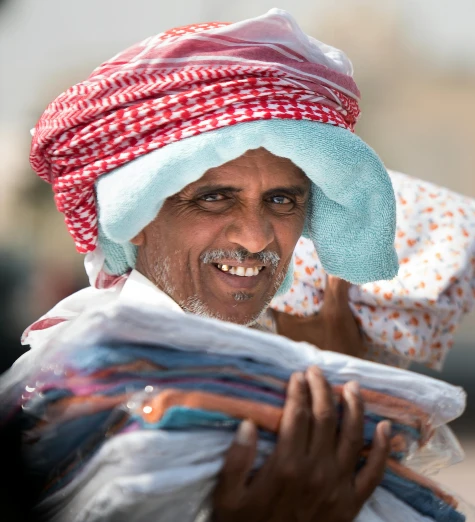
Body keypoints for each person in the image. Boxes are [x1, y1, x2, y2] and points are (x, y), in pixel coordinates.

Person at [17, 9, 403, 520]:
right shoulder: (70, 381)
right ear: (135, 217)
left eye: (282, 201)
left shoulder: (291, 370)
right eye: (215, 198)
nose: (257, 236)